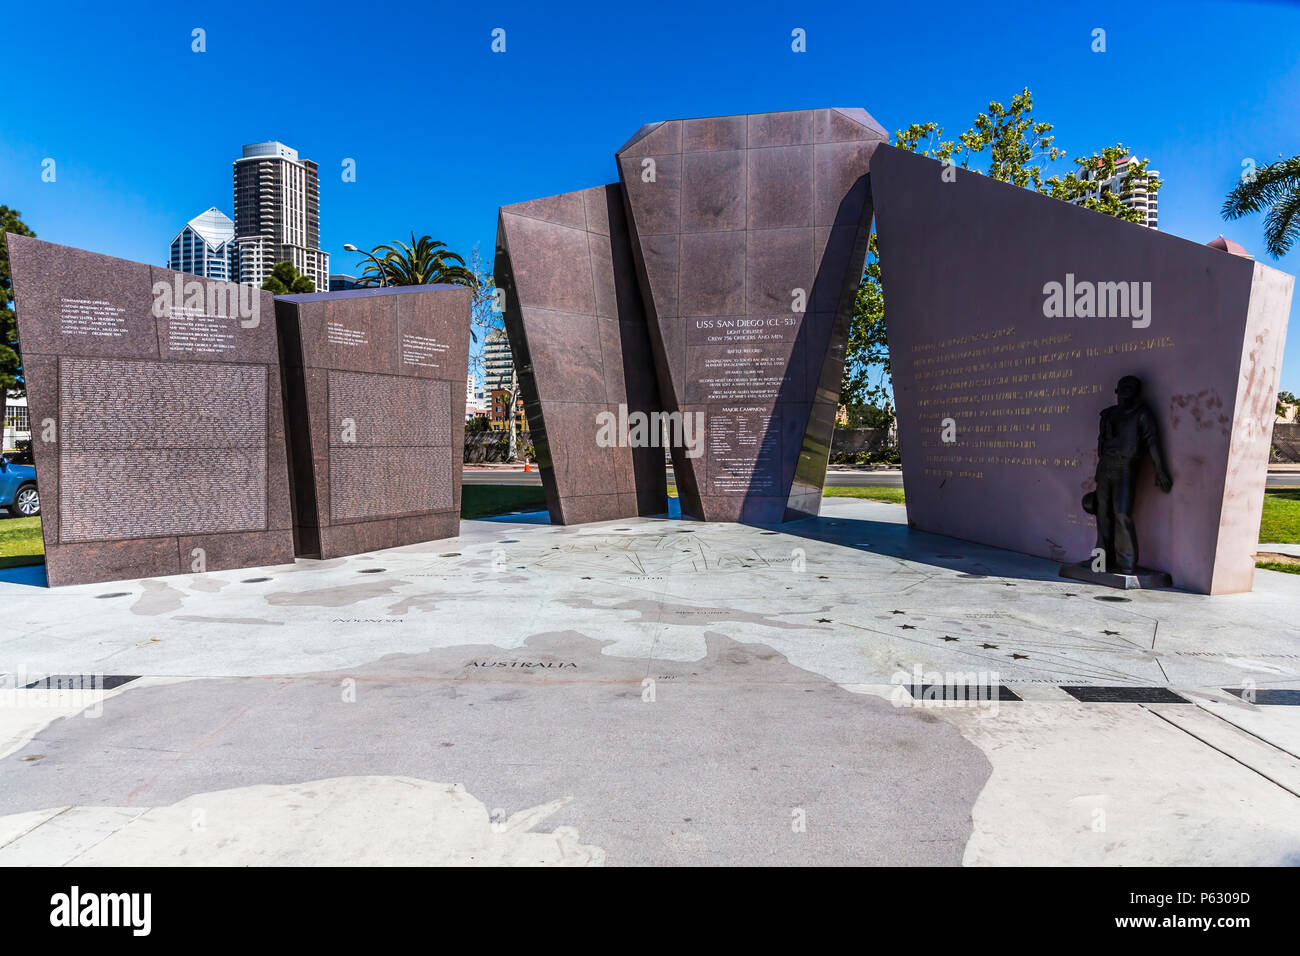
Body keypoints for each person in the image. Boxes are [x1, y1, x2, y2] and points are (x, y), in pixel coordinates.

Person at [1086, 375, 1173, 573]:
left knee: (1122, 513)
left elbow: (1152, 442)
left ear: (1137, 392)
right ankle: (1101, 561)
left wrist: (1160, 470)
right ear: (1116, 391)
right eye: (1123, 386)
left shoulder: (1142, 414)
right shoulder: (1107, 415)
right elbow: (1102, 443)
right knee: (1102, 515)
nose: (1126, 389)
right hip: (1106, 467)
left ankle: (1126, 563)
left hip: (1125, 468)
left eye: (1131, 386)